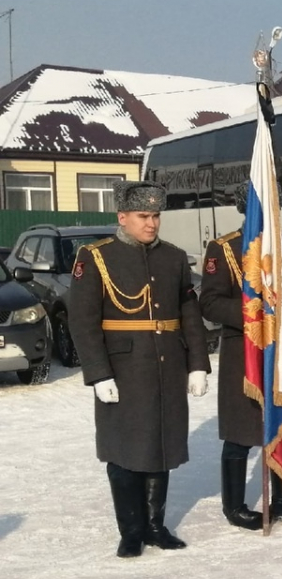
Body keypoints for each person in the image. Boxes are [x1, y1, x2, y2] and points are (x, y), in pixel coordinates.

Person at [69, 180, 210, 557]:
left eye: (156, 216)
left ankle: (154, 526)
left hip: (167, 365)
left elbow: (188, 314)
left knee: (160, 446)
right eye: (143, 216)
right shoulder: (96, 256)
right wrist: (98, 374)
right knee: (125, 449)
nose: (152, 223)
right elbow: (82, 321)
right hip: (124, 368)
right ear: (123, 217)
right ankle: (131, 530)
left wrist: (198, 364)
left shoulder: (174, 257)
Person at [199, 181, 282, 530]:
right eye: (263, 210)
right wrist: (254, 313)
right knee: (240, 432)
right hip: (244, 353)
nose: (271, 216)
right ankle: (234, 506)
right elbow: (208, 302)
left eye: (275, 209)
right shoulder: (223, 249)